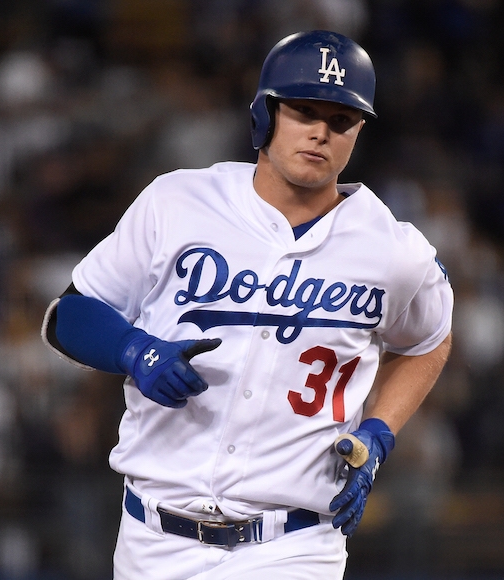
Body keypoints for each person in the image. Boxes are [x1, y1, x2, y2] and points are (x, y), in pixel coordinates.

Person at [41, 30, 453, 579]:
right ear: (264, 115)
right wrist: (133, 349)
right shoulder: (178, 202)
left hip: (296, 544)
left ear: (358, 132)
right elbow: (69, 314)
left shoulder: (394, 250)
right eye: (303, 111)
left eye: (340, 120)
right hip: (155, 541)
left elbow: (431, 340)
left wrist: (379, 431)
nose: (319, 133)